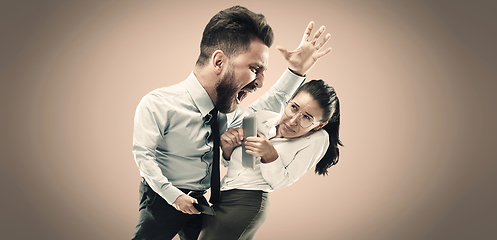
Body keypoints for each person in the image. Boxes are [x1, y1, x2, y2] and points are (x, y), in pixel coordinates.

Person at [131, 5, 332, 240]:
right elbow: (144, 155)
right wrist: (173, 196)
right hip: (162, 199)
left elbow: (265, 108)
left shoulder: (227, 113)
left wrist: (295, 72)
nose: (259, 83)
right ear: (219, 62)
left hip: (199, 201)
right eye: (255, 69)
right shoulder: (159, 104)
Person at [198, 79, 342, 240]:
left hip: (248, 203)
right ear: (289, 101)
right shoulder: (259, 118)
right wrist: (227, 147)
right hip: (221, 196)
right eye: (294, 107)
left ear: (319, 125)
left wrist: (270, 155)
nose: (293, 120)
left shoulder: (317, 139)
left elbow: (281, 182)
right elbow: (237, 164)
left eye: (307, 117)